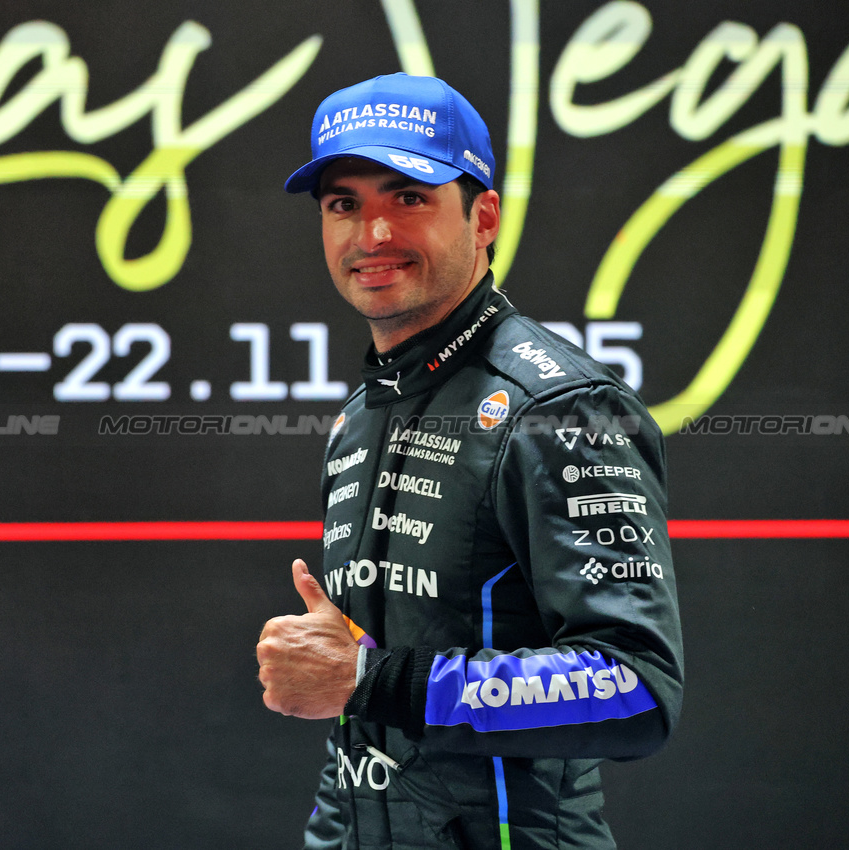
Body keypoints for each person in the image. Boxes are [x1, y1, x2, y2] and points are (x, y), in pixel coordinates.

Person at [256, 72, 684, 850]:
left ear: (482, 215)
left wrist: (367, 681)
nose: (371, 235)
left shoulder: (555, 410)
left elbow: (636, 689)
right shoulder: (361, 416)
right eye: (343, 204)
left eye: (407, 197)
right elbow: (364, 743)